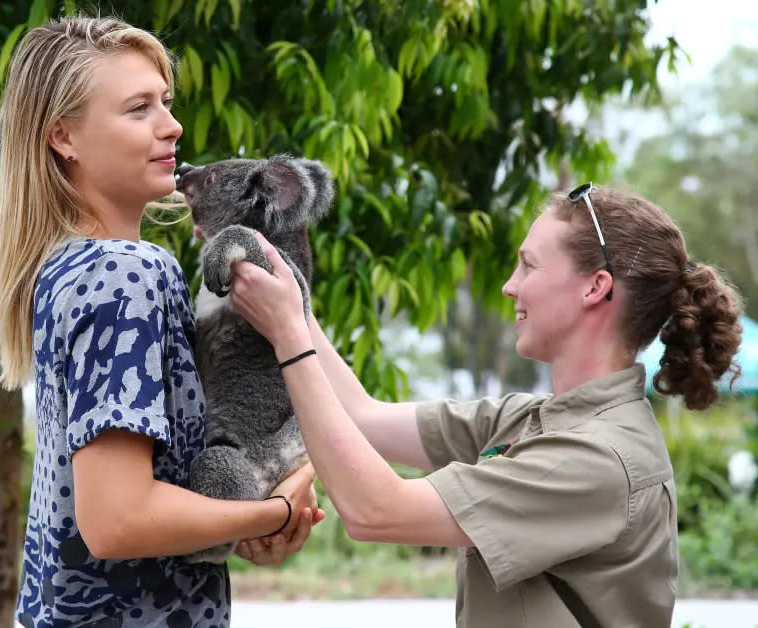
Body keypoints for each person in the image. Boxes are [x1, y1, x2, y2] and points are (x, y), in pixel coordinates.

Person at [229, 184, 743, 627]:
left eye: (529, 264)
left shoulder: (601, 459)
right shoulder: (533, 420)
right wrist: (287, 286)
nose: (510, 285)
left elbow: (376, 512)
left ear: (594, 287)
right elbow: (362, 417)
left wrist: (289, 336)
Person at [0, 16, 322, 627]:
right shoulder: (124, 273)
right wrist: (273, 514)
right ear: (65, 137)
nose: (173, 125)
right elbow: (117, 521)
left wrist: (239, 520)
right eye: (138, 109)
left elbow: (132, 508)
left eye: (166, 102)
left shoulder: (68, 265)